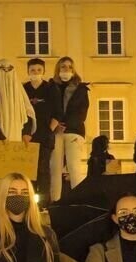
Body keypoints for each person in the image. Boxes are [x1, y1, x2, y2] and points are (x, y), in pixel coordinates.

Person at [0, 59, 36, 212]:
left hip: (16, 138)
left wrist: (27, 133)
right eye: (2, 69)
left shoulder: (19, 91)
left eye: (10, 69)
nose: (6, 72)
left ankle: (16, 206)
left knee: (15, 174)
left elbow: (28, 113)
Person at [49, 57, 89, 201]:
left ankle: (78, 200)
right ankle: (55, 201)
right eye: (63, 67)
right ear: (58, 69)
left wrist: (66, 124)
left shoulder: (81, 88)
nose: (66, 70)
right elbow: (49, 108)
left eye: (69, 67)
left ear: (73, 69)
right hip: (55, 130)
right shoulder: (51, 86)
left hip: (74, 131)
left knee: (74, 167)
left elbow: (82, 112)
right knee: (55, 168)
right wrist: (55, 124)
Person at [23, 58, 62, 207]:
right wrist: (25, 132)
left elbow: (58, 112)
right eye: (33, 70)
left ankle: (44, 201)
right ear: (28, 71)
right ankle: (30, 200)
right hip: (28, 136)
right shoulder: (24, 89)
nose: (36, 73)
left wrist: (49, 130)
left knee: (43, 168)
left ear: (43, 71)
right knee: (29, 169)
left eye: (39, 70)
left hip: (45, 135)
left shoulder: (51, 88)